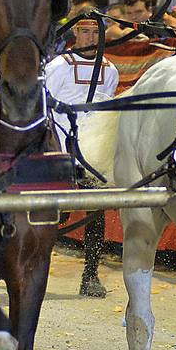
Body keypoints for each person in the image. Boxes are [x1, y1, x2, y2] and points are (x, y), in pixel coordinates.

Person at [43, 18, 117, 297]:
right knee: (54, 214)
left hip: (92, 153)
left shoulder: (110, 70)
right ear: (76, 32)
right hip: (59, 148)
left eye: (96, 32)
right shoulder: (58, 66)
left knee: (95, 213)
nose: (90, 36)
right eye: (85, 31)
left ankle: (90, 274)